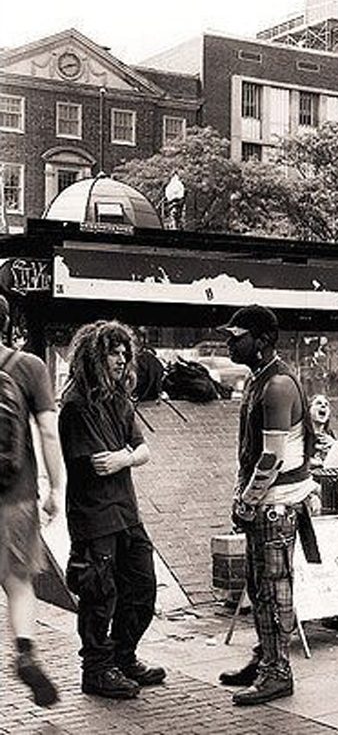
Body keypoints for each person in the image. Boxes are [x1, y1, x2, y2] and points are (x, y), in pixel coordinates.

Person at [217, 305, 320, 705]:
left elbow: (273, 456)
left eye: (236, 335)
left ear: (260, 341)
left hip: (275, 504)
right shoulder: (261, 379)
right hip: (269, 502)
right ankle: (266, 660)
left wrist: (246, 501)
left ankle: (278, 671)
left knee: (274, 588)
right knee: (261, 587)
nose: (229, 341)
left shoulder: (276, 386)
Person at [59, 320, 164, 700]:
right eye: (113, 352)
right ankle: (97, 668)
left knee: (142, 587)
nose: (121, 359)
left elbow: (140, 451)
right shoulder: (76, 406)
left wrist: (125, 457)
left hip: (126, 512)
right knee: (99, 595)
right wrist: (127, 456)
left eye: (124, 352)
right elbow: (99, 462)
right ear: (94, 356)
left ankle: (122, 655)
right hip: (95, 517)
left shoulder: (120, 400)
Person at [0, 296, 64, 707]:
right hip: (16, 498)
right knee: (19, 583)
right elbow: (48, 432)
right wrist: (57, 488)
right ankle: (25, 651)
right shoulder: (28, 367)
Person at [308, 393, 335, 469]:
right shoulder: (302, 433)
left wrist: (334, 445)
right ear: (309, 410)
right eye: (318, 403)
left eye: (326, 405)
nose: (323, 406)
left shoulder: (329, 434)